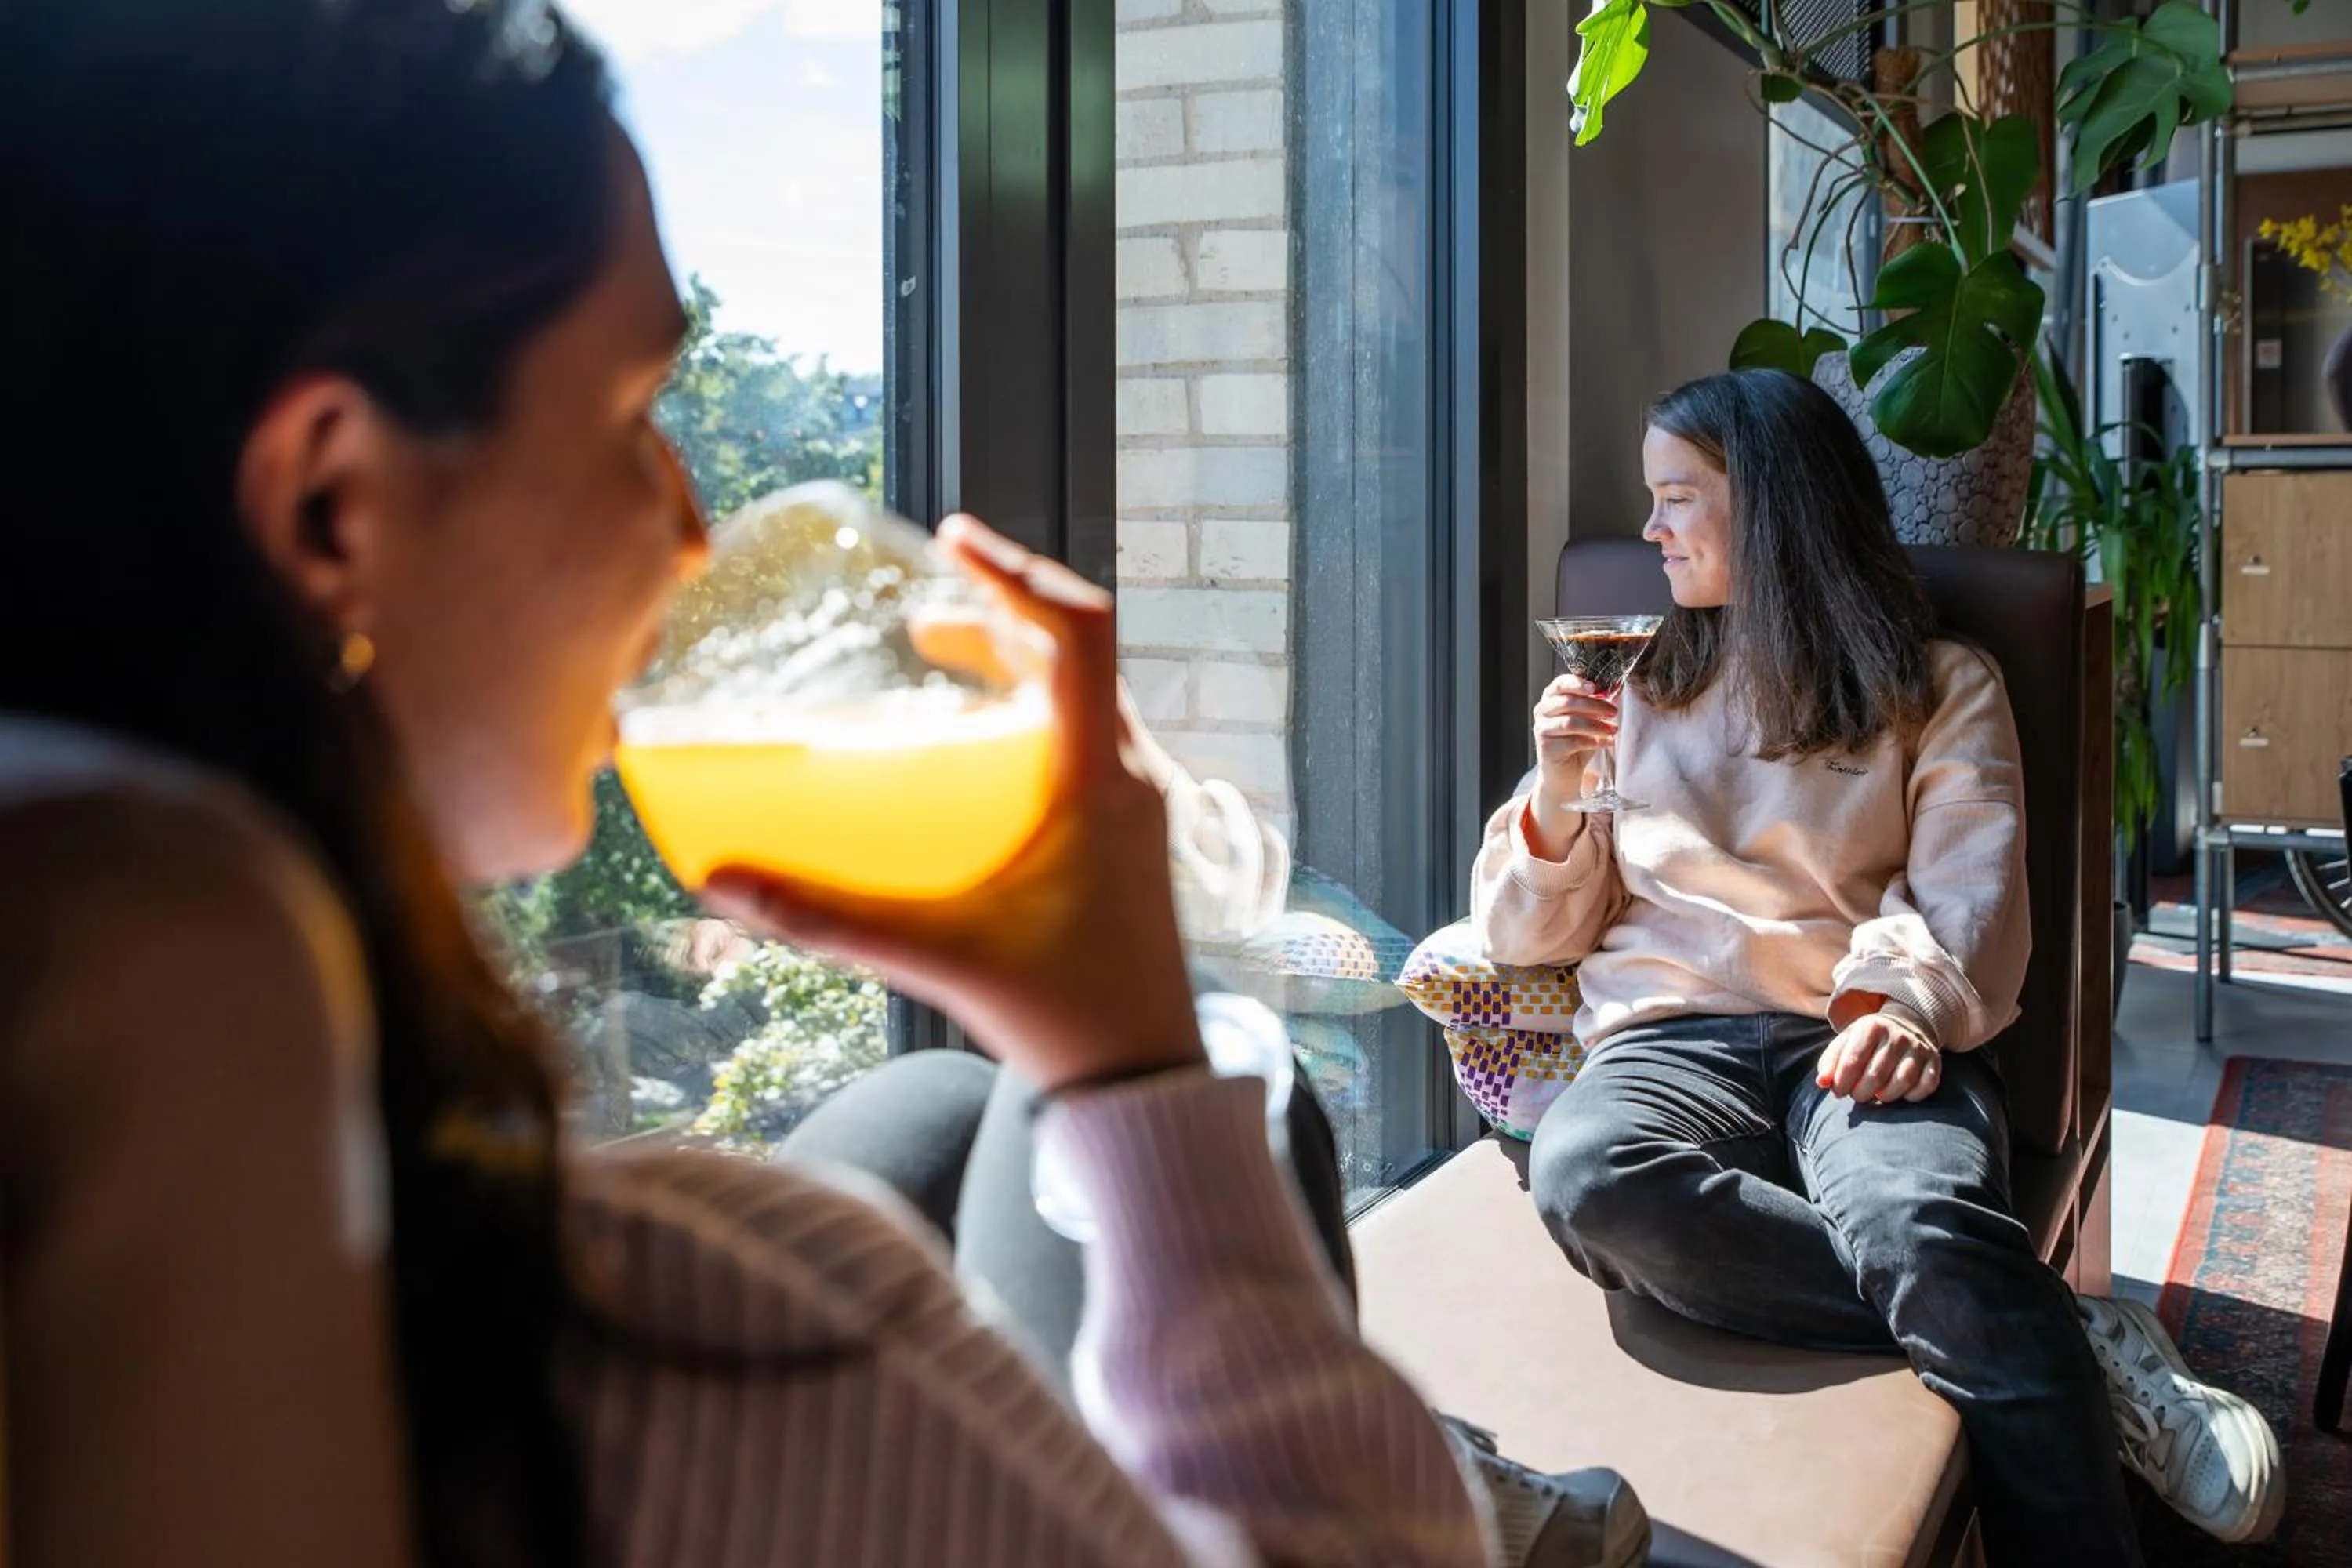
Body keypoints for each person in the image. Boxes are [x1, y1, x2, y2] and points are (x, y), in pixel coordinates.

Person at [0, 2, 1650, 1565]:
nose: (689, 526)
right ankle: (1481, 1502)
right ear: (331, 509)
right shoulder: (692, 1334)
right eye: (637, 413)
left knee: (927, 1113)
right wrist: (1128, 1043)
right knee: (1210, 1105)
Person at [1472, 368, 2285, 1563]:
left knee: (1922, 1219)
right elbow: (1523, 938)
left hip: (1852, 1029)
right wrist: (1552, 795)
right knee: (1588, 1176)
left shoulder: (1938, 683)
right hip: (1667, 1043)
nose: (1649, 531)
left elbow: (1968, 886)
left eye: (1677, 498)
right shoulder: (1632, 685)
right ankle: (2063, 1336)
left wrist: (1896, 1004)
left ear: (1775, 506)